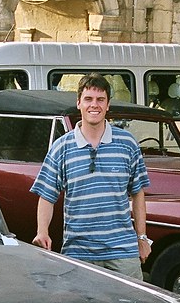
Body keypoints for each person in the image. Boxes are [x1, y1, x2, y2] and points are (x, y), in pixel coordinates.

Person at [31, 73, 151, 279]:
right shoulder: (61, 147)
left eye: (100, 99)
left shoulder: (127, 143)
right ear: (79, 103)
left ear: (108, 105)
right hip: (78, 253)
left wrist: (142, 238)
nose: (94, 105)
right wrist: (42, 232)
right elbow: (47, 196)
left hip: (123, 252)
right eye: (88, 99)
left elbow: (138, 193)